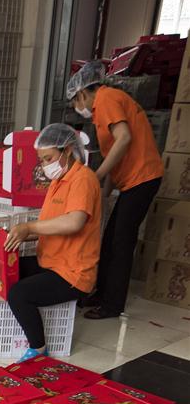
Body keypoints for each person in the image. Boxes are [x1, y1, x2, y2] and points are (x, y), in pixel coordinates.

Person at [67, 60, 163, 320]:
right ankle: (101, 294)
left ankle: (112, 304)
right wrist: (103, 190)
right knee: (110, 240)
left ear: (83, 93)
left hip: (142, 178)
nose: (79, 108)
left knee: (121, 242)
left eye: (77, 102)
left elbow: (124, 138)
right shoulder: (102, 109)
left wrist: (95, 176)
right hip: (131, 180)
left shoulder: (106, 99)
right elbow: (115, 155)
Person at [4, 123, 101, 362]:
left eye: (48, 158)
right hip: (51, 260)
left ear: (67, 150)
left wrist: (30, 227)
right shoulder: (59, 181)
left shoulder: (83, 180)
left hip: (72, 272)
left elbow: (74, 222)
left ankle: (38, 349)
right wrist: (20, 233)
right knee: (7, 269)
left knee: (19, 294)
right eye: (42, 160)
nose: (44, 165)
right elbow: (52, 225)